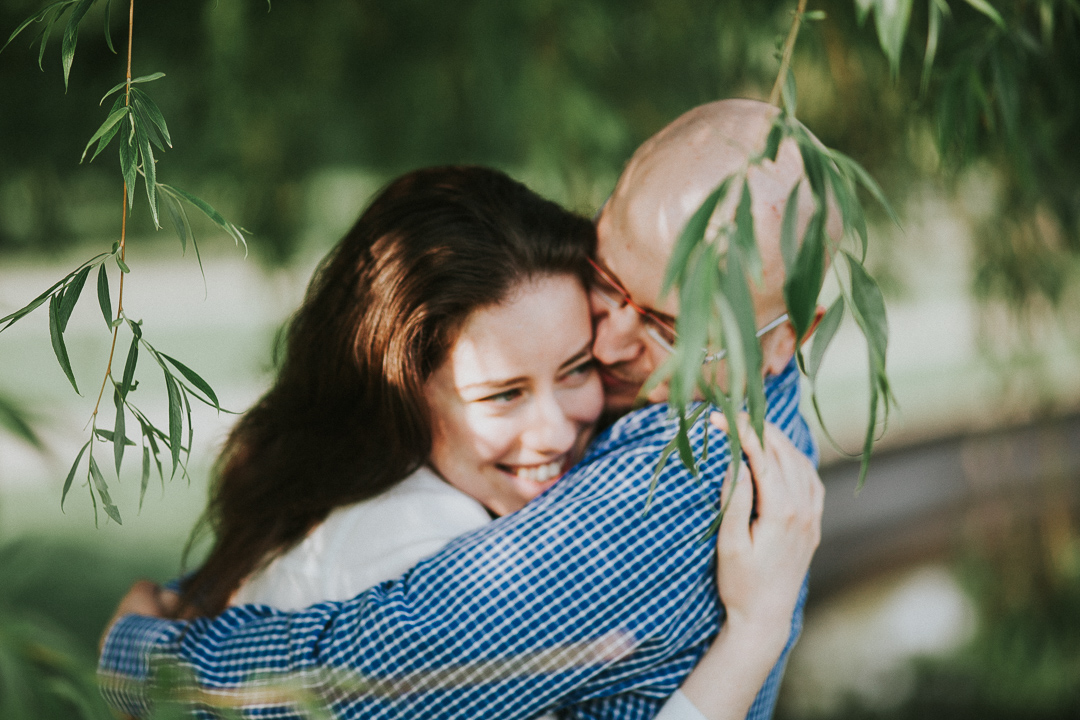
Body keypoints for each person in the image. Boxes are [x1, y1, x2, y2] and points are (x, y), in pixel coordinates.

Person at [99, 98, 829, 719]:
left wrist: (138, 657)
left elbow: (362, 686)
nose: (606, 340)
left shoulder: (667, 484)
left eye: (671, 326)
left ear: (784, 337)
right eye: (606, 278)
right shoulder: (749, 379)